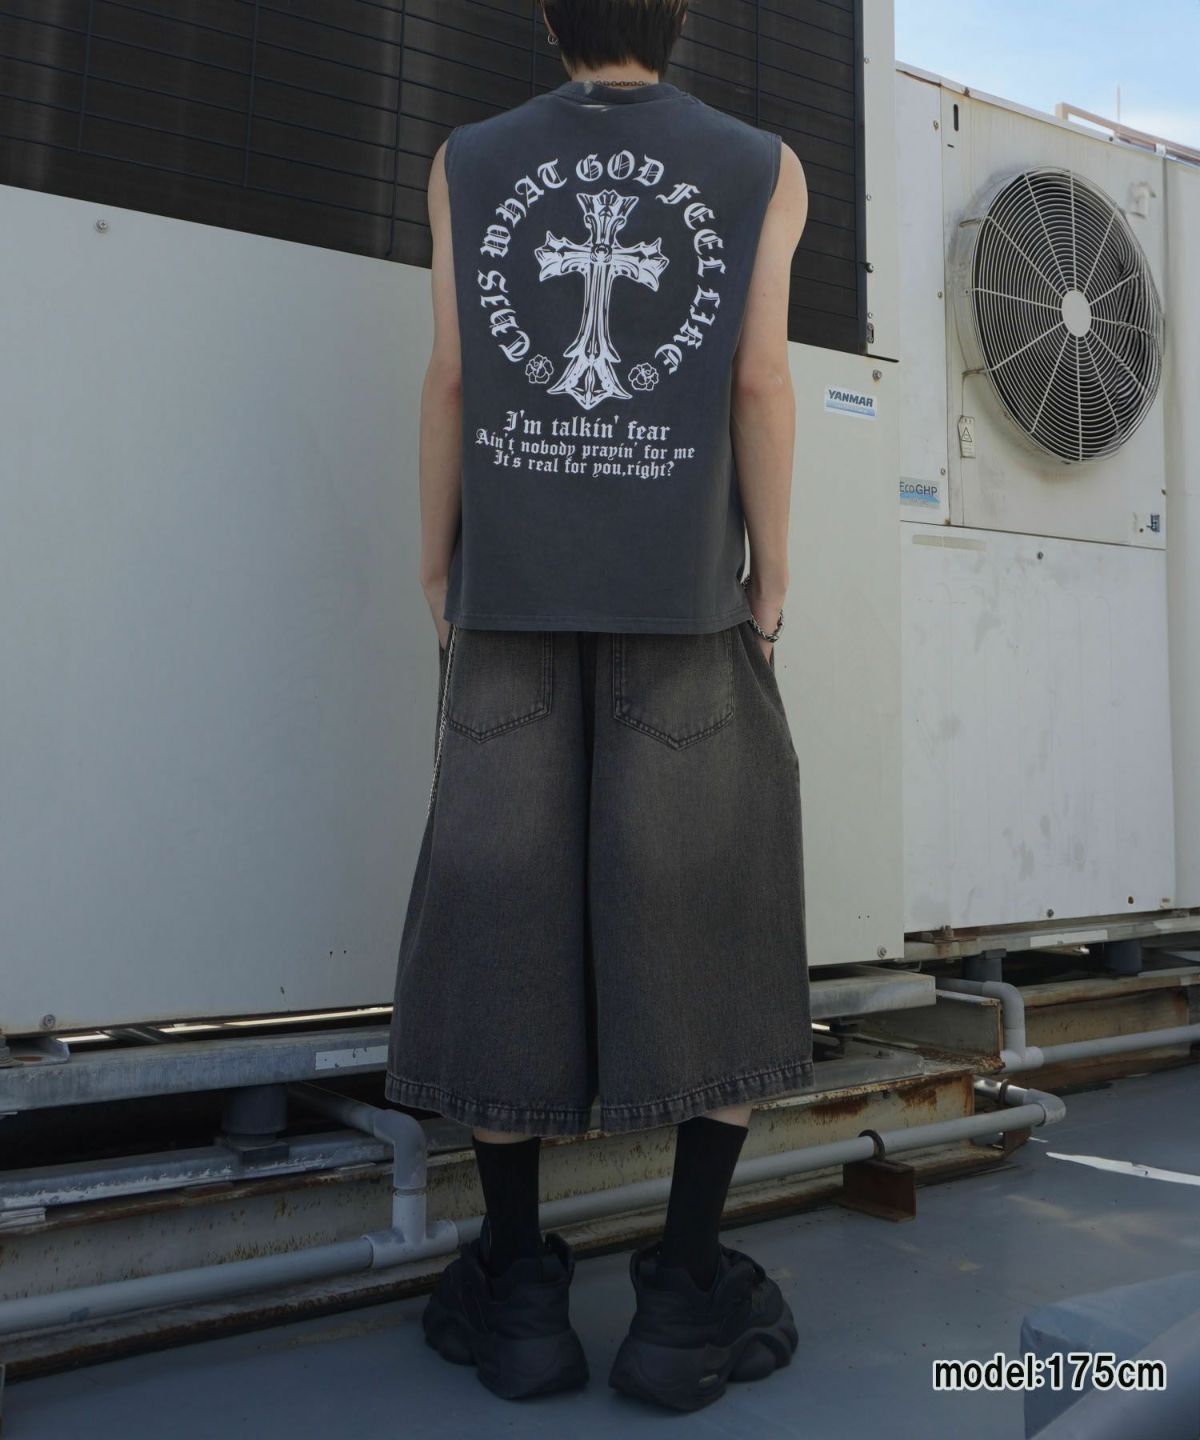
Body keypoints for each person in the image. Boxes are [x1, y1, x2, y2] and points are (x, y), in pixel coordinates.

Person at [385, 0, 811, 1413]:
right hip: (684, 611)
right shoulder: (761, 163)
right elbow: (758, 377)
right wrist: (769, 579)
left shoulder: (466, 159)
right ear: (677, 14)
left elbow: (455, 373)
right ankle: (682, 1296)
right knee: (713, 915)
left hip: (511, 602)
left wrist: (439, 563)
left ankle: (518, 1296)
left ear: (548, 13)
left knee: (499, 921)